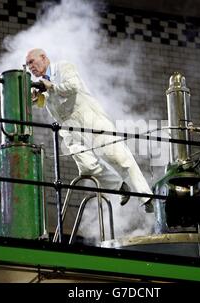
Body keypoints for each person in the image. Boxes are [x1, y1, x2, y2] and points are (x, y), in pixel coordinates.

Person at [26, 49, 152, 208]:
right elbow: (44, 103)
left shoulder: (63, 67)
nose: (30, 67)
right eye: (28, 64)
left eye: (32, 62)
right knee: (87, 167)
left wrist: (51, 87)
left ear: (43, 58)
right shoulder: (43, 85)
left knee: (120, 158)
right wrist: (34, 99)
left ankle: (146, 197)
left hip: (89, 120)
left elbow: (73, 87)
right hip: (70, 130)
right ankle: (119, 186)